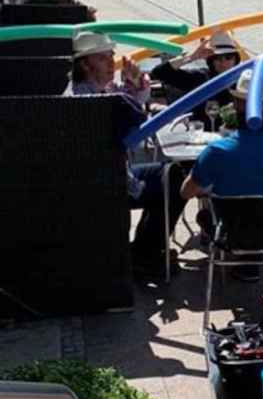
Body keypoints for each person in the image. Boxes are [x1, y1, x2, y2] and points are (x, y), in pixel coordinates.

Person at [70, 32, 187, 279]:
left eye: (112, 56)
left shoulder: (96, 90)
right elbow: (131, 114)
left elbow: (127, 104)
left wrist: (133, 85)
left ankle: (146, 250)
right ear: (85, 64)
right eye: (103, 59)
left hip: (116, 175)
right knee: (175, 181)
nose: (112, 62)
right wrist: (134, 91)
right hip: (109, 185)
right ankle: (146, 254)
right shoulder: (85, 100)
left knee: (171, 173)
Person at [181, 69, 263, 281]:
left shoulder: (218, 151)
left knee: (207, 207)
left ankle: (240, 264)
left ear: (235, 104)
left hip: (232, 233)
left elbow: (186, 192)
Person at [150, 31, 241, 130]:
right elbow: (158, 73)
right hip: (204, 137)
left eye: (228, 57)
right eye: (217, 58)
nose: (223, 62)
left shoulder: (244, 80)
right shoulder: (201, 78)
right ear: (211, 61)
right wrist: (191, 57)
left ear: (235, 59)